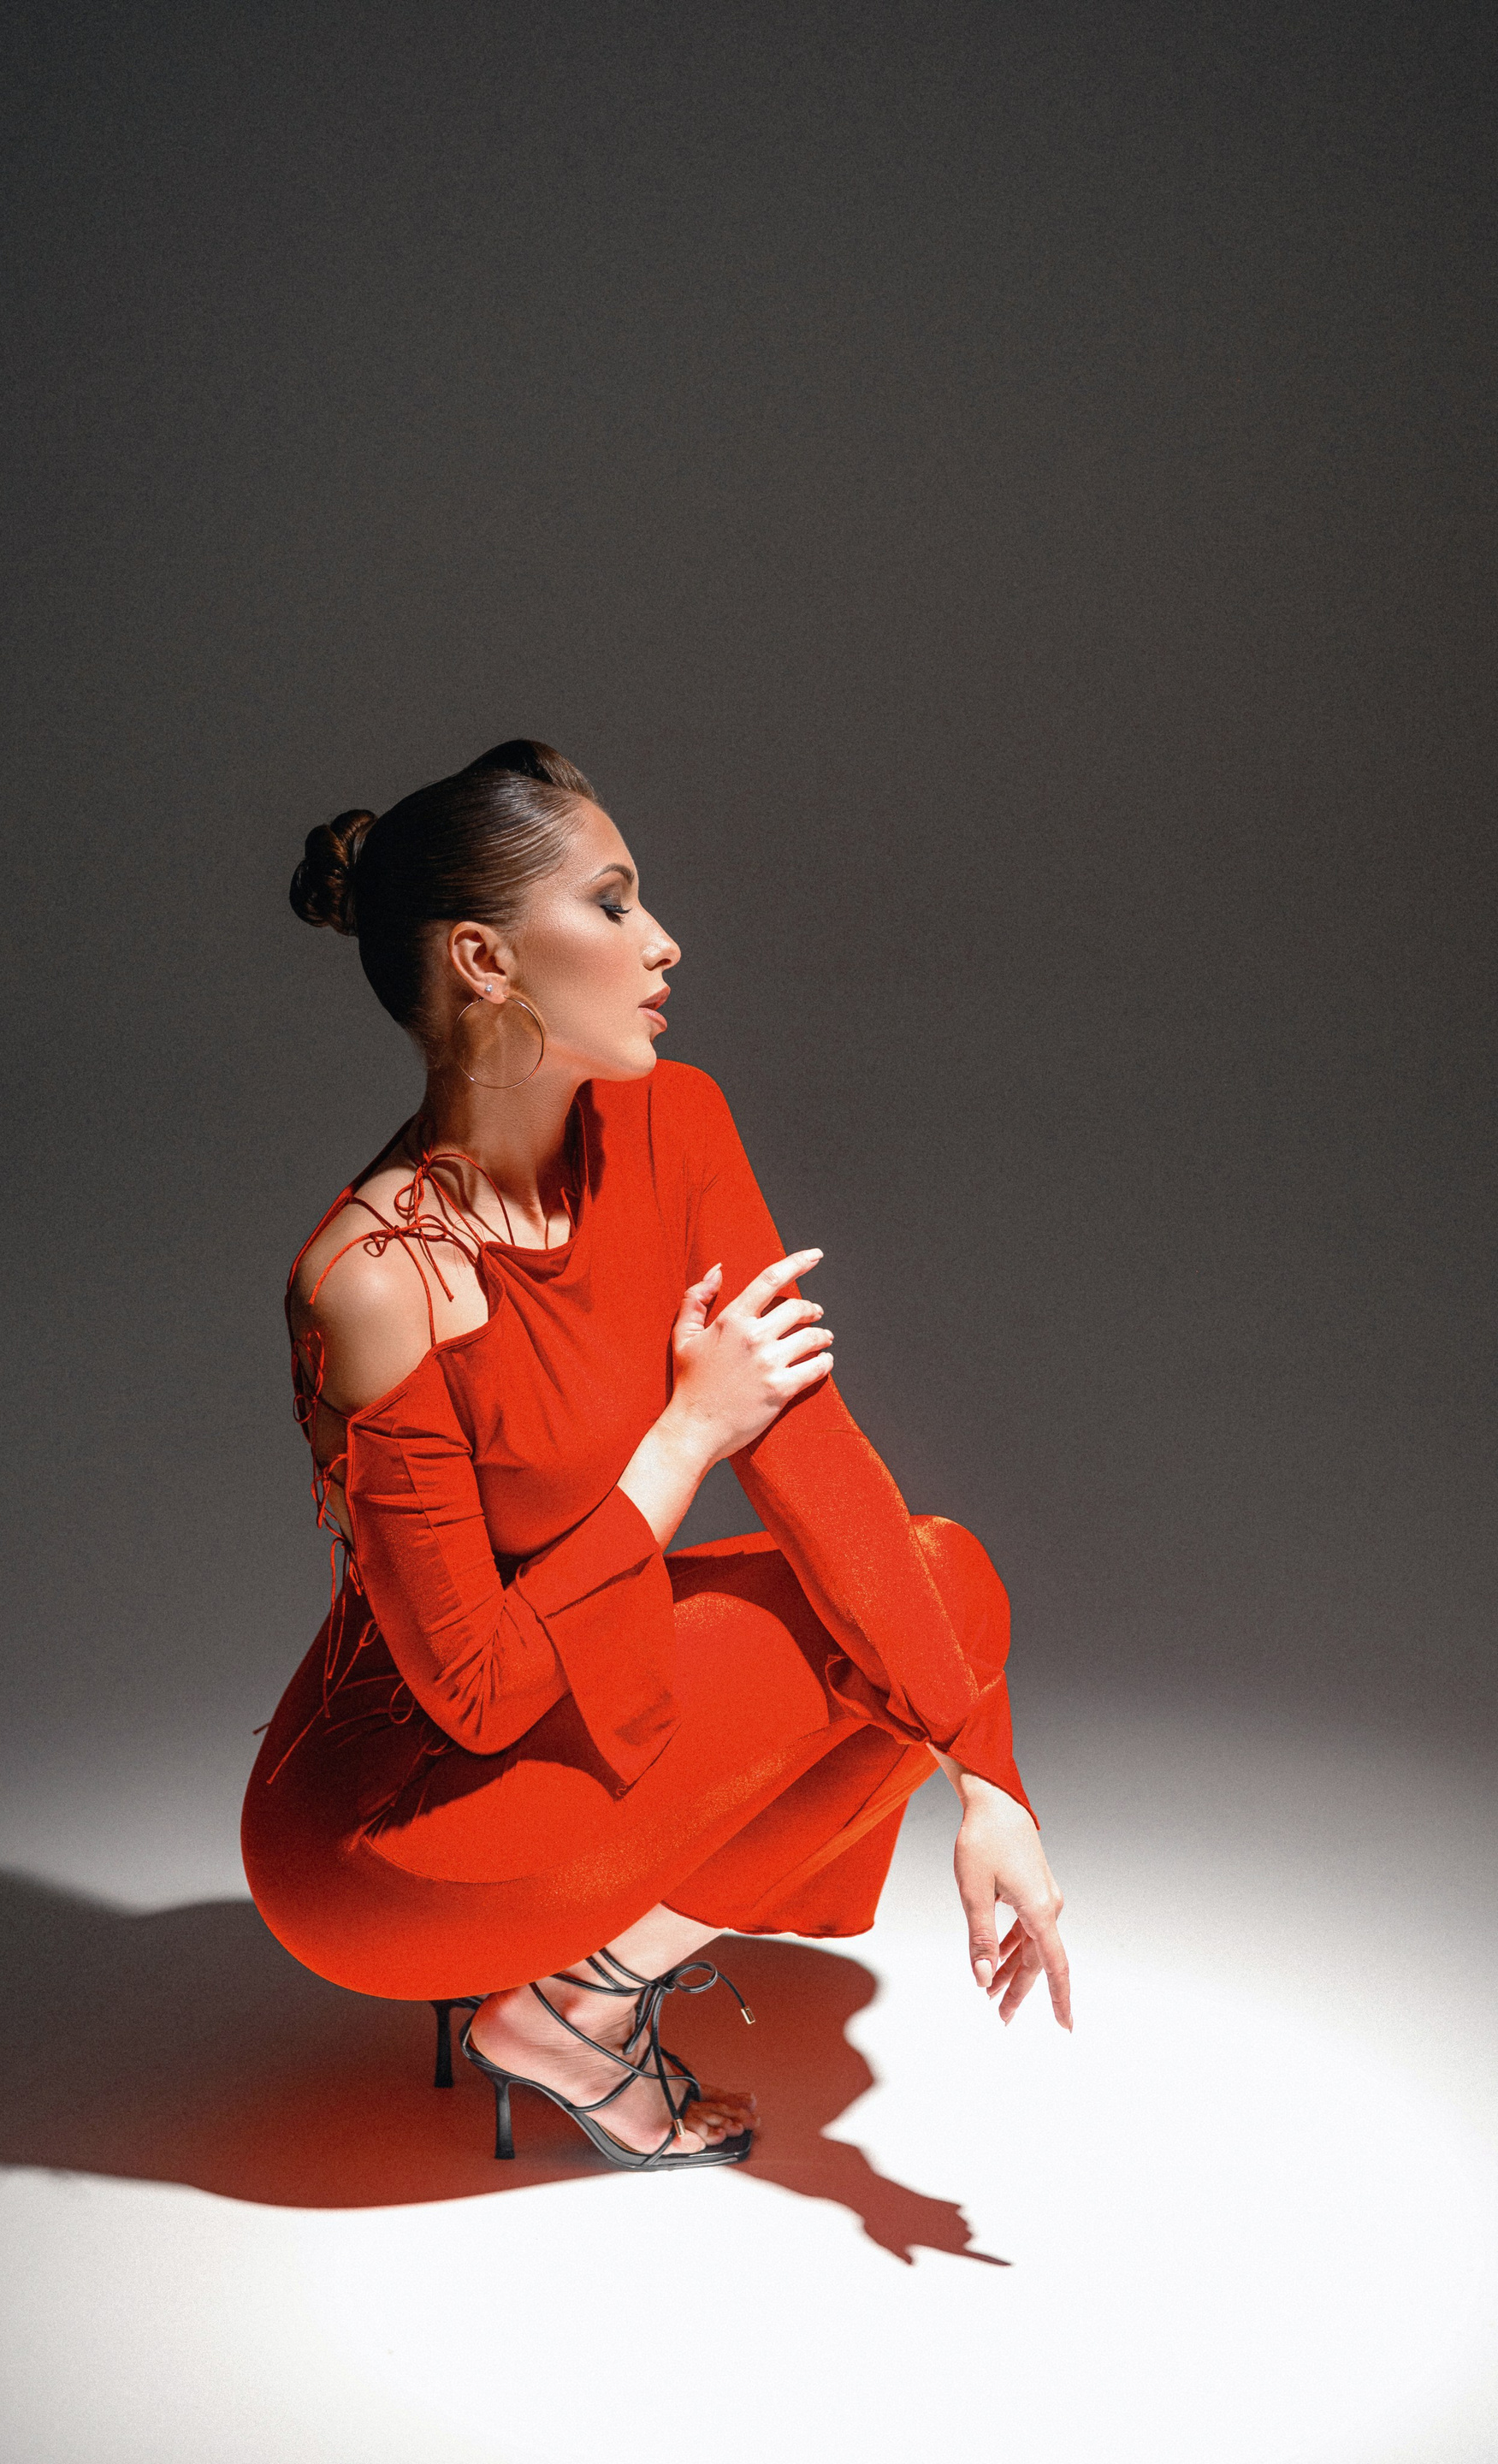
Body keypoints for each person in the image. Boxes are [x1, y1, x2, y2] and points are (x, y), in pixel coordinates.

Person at [242, 738, 1069, 2172]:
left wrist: (986, 1779)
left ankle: (576, 1996)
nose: (664, 940)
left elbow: (804, 1446)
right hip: (396, 1819)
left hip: (572, 1673)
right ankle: (561, 2004)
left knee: (941, 1590)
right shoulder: (376, 1280)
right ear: (486, 960)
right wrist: (685, 1436)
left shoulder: (672, 1119)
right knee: (903, 1641)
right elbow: (479, 1691)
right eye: (613, 903)